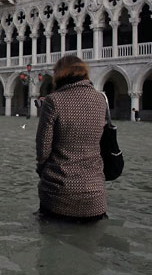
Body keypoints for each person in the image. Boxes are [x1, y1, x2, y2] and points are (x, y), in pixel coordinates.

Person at [35, 56, 108, 222]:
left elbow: (43, 149)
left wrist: (42, 170)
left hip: (59, 195)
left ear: (59, 74)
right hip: (95, 198)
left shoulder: (54, 100)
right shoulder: (100, 100)